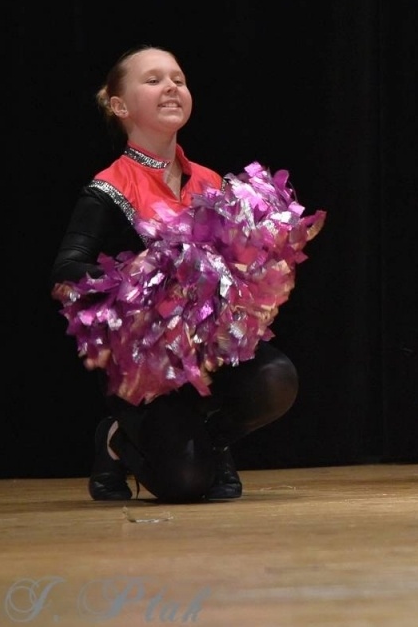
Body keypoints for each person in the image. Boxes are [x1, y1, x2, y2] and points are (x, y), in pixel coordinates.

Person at [52, 46, 298, 503]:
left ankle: (211, 440)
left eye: (178, 79)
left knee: (276, 380)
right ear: (120, 106)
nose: (171, 87)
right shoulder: (108, 188)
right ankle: (117, 442)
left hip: (212, 360)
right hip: (150, 373)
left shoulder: (214, 183)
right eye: (153, 80)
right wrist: (140, 273)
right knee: (185, 486)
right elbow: (66, 270)